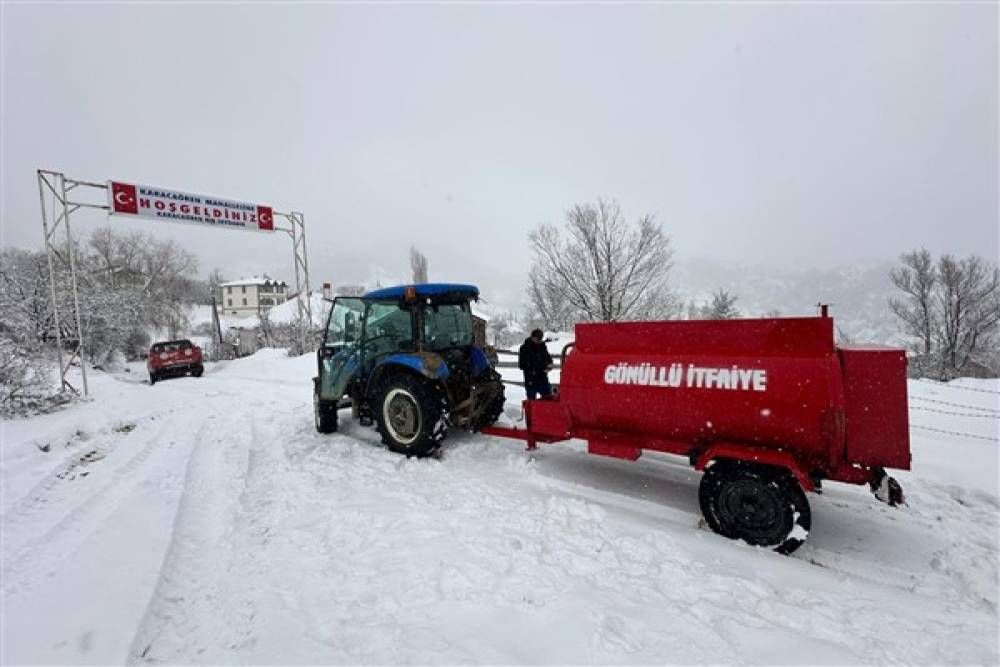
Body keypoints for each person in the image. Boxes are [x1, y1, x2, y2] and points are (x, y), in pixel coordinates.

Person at [518, 328, 554, 400]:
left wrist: (550, 364)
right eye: (538, 339)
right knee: (531, 401)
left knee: (548, 398)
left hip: (542, 377)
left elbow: (548, 357)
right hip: (531, 378)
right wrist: (534, 367)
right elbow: (522, 364)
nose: (540, 341)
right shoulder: (524, 348)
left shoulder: (542, 346)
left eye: (541, 339)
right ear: (533, 338)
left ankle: (544, 411)